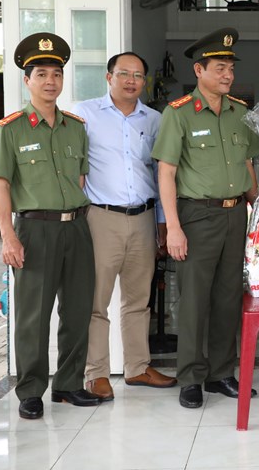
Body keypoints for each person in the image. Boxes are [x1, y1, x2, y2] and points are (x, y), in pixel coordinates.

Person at [0, 32, 101, 419]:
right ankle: (31, 389)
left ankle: (68, 384)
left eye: (56, 73)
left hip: (77, 228)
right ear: (27, 80)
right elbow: (0, 185)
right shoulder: (11, 129)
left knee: (78, 309)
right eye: (42, 74)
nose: (50, 81)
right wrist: (8, 236)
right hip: (34, 230)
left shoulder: (75, 127)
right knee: (33, 314)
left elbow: (80, 180)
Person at [151, 27, 259, 409]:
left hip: (236, 217)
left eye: (230, 67)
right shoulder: (178, 113)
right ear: (199, 70)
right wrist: (173, 228)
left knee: (229, 297)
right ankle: (191, 378)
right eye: (219, 67)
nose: (227, 74)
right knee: (194, 300)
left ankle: (221, 373)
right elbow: (166, 172)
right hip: (196, 216)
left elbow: (248, 166)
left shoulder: (241, 114)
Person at [72, 52, 177, 402]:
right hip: (101, 217)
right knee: (95, 300)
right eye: (124, 74)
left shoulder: (156, 119)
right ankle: (97, 374)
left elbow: (161, 174)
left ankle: (137, 367)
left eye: (138, 75)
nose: (131, 80)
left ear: (144, 81)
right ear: (109, 77)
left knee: (138, 299)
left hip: (144, 218)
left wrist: (163, 223)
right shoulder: (84, 114)